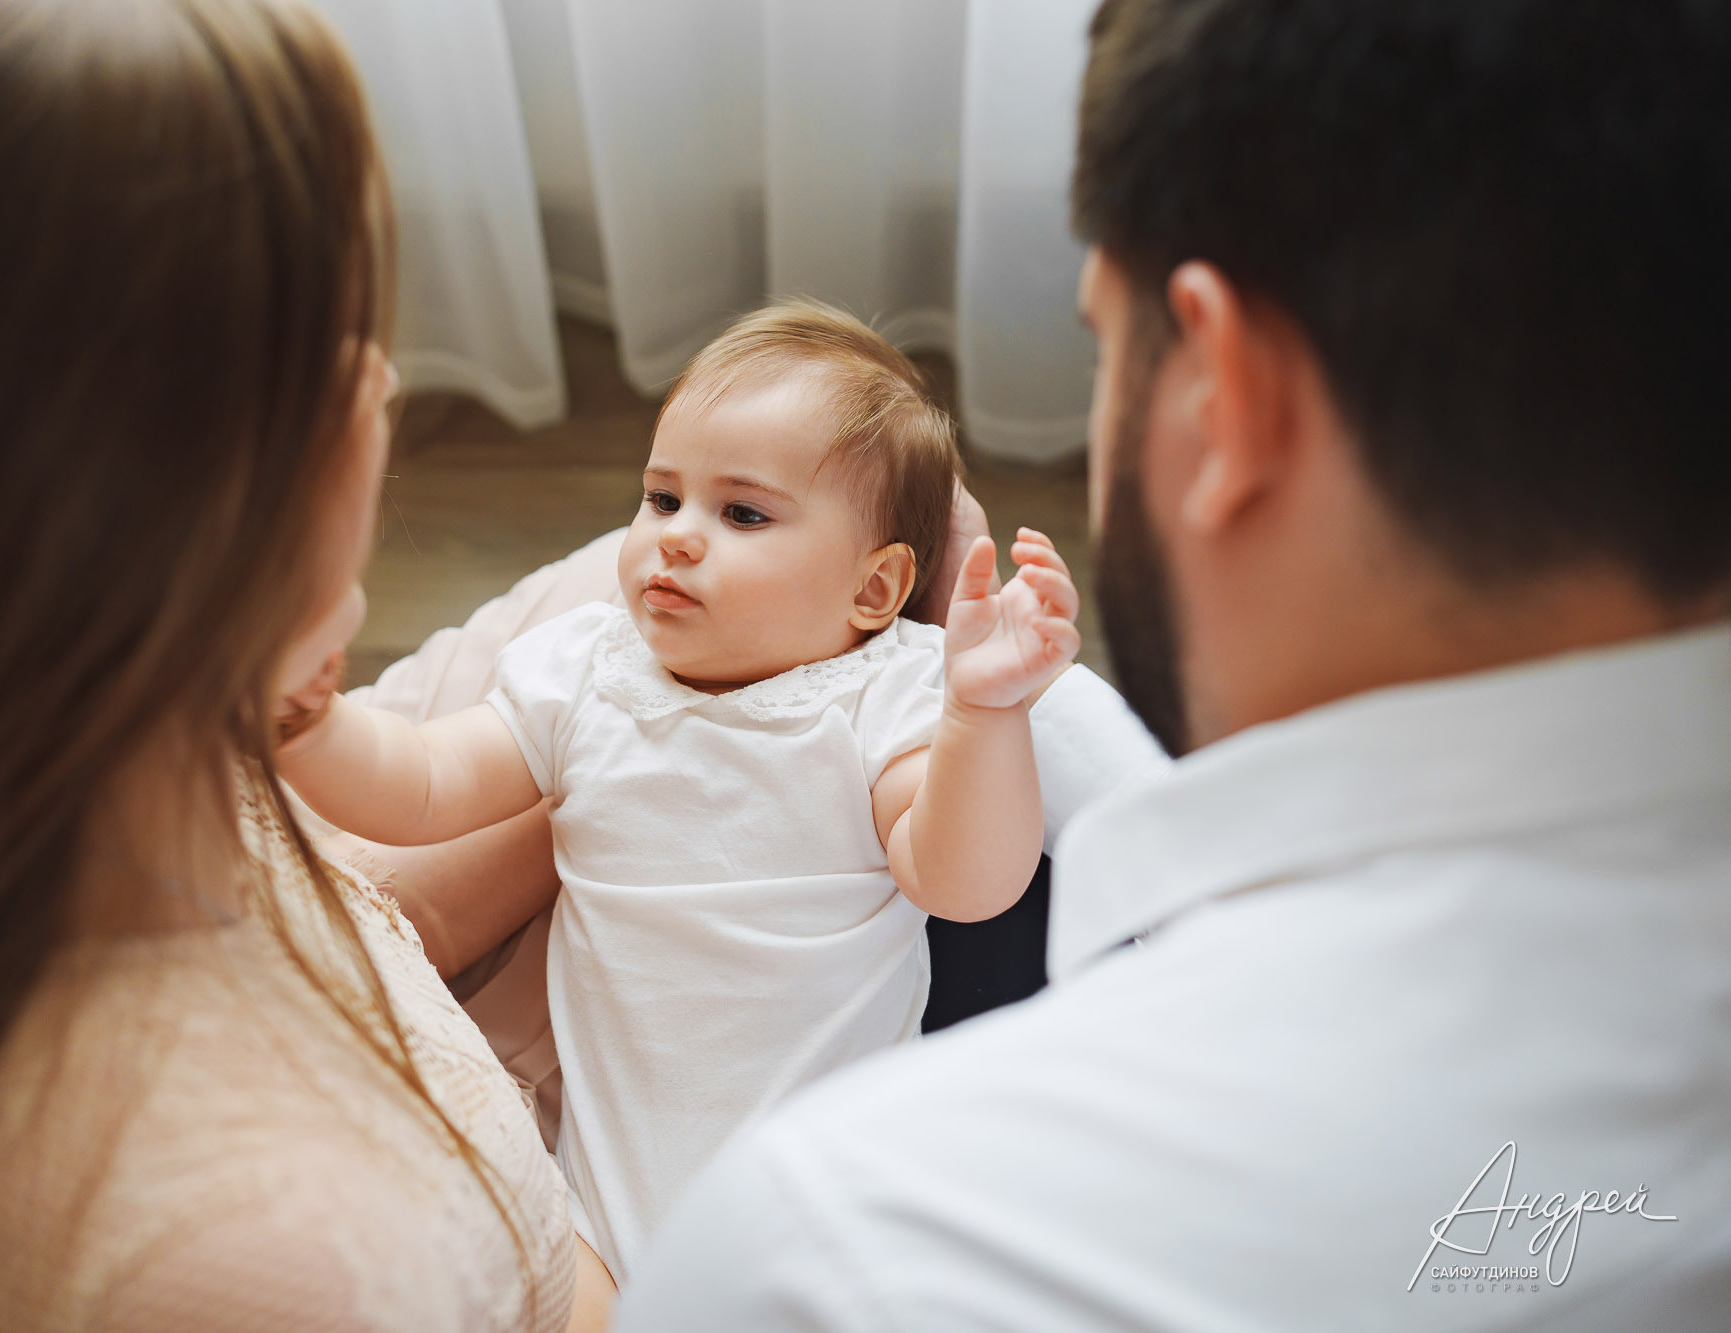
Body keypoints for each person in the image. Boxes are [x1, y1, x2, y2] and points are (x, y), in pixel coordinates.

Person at [616, 0, 1731, 1328]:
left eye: (1105, 343)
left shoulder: (851, 1249)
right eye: (666, 502)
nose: (678, 540)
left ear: (1223, 391)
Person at [0, 0, 607, 1328]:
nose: (380, 383)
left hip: (468, 1115)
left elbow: (356, 918)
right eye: (332, 355)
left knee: (799, 522)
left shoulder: (58, 768)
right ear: (158, 522)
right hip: (592, 1251)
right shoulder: (271, 1262)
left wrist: (596, 804)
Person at [277, 301, 1087, 1284]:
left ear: (872, 593)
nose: (677, 538)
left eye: (740, 513)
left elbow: (965, 880)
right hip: (601, 1208)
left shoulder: (877, 692)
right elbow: (425, 786)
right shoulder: (585, 666)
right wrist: (315, 731)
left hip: (817, 1198)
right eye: (661, 499)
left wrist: (982, 715)